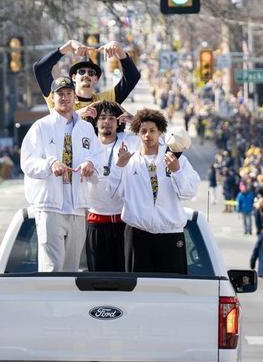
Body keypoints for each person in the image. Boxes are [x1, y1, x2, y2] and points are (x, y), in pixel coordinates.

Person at [20, 76, 98, 272]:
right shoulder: (41, 127)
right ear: (52, 98)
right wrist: (50, 164)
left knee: (72, 269)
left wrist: (91, 163)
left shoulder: (87, 128)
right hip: (50, 206)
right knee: (52, 267)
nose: (65, 98)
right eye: (60, 94)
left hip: (77, 206)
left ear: (74, 97)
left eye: (69, 94)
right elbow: (27, 162)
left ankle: (67, 303)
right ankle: (49, 303)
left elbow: (98, 157)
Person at [108, 109, 200, 274]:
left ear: (160, 133)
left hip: (170, 235)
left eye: (152, 131)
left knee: (171, 289)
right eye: (143, 131)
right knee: (139, 292)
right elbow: (113, 193)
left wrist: (177, 171)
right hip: (137, 235)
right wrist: (119, 166)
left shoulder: (176, 159)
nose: (147, 135)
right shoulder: (128, 161)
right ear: (137, 133)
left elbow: (189, 192)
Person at [85, 101, 137, 272]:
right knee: (98, 278)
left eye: (111, 118)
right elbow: (63, 128)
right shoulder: (86, 141)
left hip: (124, 221)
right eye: (102, 118)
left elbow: (159, 141)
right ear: (95, 121)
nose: (106, 122)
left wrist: (135, 120)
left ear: (118, 122)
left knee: (125, 277)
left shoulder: (127, 140)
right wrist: (82, 114)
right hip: (96, 220)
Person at [33, 39, 140, 112]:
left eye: (91, 73)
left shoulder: (105, 101)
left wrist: (120, 51)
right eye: (81, 71)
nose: (86, 75)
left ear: (96, 79)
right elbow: (40, 69)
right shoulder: (61, 98)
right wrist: (67, 47)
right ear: (74, 77)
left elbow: (132, 77)